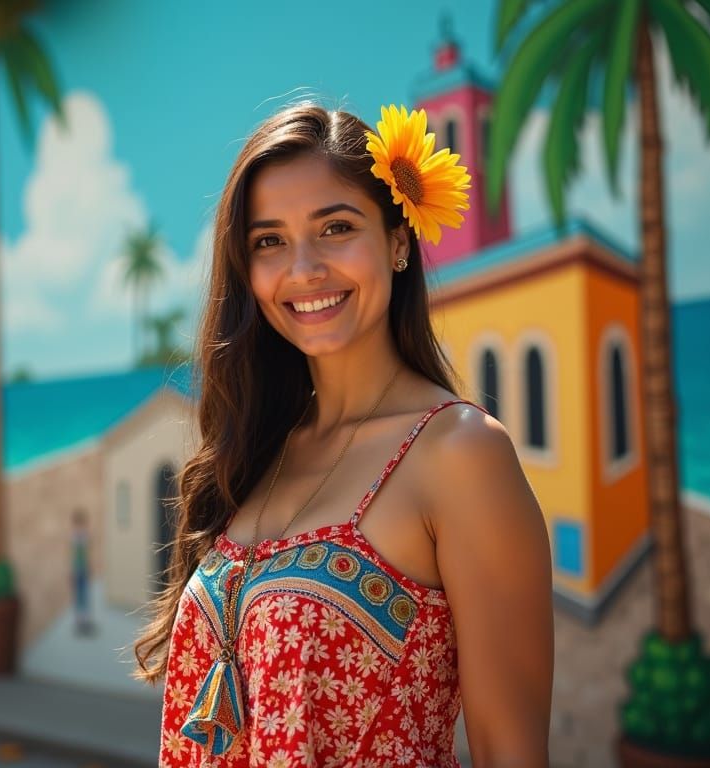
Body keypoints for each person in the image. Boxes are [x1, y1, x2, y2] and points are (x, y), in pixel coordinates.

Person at [133, 102, 553, 767]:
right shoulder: (258, 448)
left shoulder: (459, 453)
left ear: (397, 240)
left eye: (335, 227)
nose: (303, 268)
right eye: (269, 240)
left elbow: (514, 754)